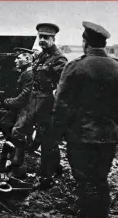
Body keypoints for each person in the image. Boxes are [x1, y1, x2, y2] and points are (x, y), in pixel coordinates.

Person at [43, 21, 118, 217]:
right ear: (103, 44)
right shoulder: (116, 67)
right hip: (108, 136)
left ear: (85, 42)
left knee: (84, 181)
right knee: (100, 179)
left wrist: (56, 133)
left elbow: (62, 105)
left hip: (81, 136)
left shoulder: (75, 67)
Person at [10, 23, 68, 176]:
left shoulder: (59, 58)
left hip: (46, 101)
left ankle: (50, 172)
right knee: (19, 130)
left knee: (47, 138)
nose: (42, 40)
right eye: (40, 37)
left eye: (46, 37)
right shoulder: (41, 55)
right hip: (34, 99)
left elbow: (64, 83)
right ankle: (17, 162)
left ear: (53, 39)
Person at [0, 51, 34, 172]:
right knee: (5, 123)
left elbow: (24, 97)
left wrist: (7, 102)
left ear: (28, 59)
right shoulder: (25, 72)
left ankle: (17, 162)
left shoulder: (30, 73)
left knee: (17, 131)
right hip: (22, 106)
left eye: (19, 58)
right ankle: (14, 150)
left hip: (28, 107)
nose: (15, 61)